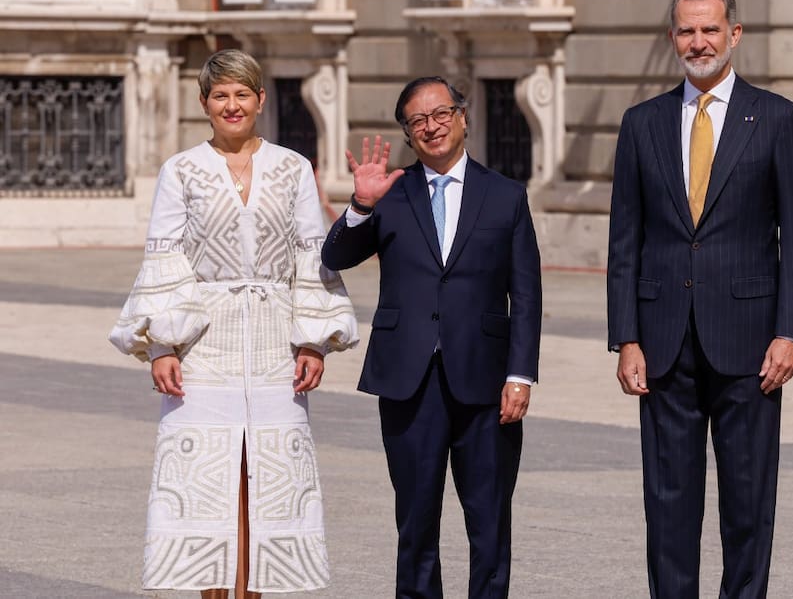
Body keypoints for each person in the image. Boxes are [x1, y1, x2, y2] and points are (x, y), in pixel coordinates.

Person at [109, 48, 359, 598]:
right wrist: (162, 346)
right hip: (204, 346)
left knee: (267, 482)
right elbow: (164, 255)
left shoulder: (293, 167)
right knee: (209, 485)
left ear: (260, 99)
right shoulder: (181, 170)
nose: (232, 104)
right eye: (220, 95)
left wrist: (313, 342)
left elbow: (310, 254)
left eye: (242, 93)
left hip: (274, 345)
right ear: (205, 103)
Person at [607, 0, 793, 598]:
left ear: (734, 34)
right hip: (663, 341)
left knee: (748, 501)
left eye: (709, 29)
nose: (698, 42)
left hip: (751, 343)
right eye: (686, 31)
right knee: (667, 502)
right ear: (672, 38)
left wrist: (790, 332)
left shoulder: (776, 118)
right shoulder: (641, 123)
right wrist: (626, 337)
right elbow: (625, 240)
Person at [321, 76, 542, 599]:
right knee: (416, 520)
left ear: (462, 117)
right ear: (407, 132)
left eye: (441, 114)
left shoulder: (505, 195)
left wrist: (520, 375)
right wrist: (361, 204)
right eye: (417, 120)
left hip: (487, 384)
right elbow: (335, 257)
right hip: (408, 381)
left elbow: (526, 293)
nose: (431, 127)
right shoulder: (390, 193)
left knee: (489, 521)